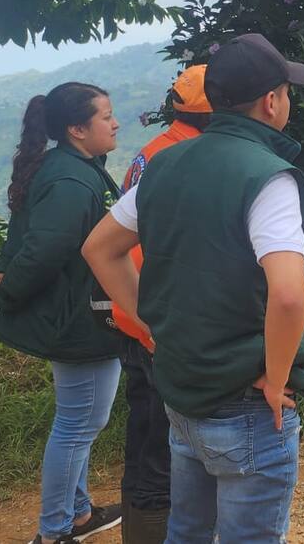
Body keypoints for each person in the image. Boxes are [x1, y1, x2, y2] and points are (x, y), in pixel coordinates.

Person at [83, 34, 304, 543]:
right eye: (286, 91)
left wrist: (151, 326)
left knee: (187, 531)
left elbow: (100, 248)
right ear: (271, 101)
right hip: (246, 399)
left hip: (182, 392)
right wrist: (276, 381)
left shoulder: (164, 163)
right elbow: (288, 295)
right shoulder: (269, 176)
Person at [0, 83, 124, 544]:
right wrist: (9, 293)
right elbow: (44, 249)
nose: (115, 124)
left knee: (82, 420)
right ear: (76, 129)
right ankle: (54, 531)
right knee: (78, 425)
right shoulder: (72, 179)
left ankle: (79, 513)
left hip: (77, 316)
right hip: (77, 322)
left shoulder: (75, 167)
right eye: (105, 117)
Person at [102, 66, 212, 544]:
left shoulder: (155, 152)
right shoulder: (190, 160)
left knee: (147, 434)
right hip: (159, 323)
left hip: (135, 317)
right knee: (161, 448)